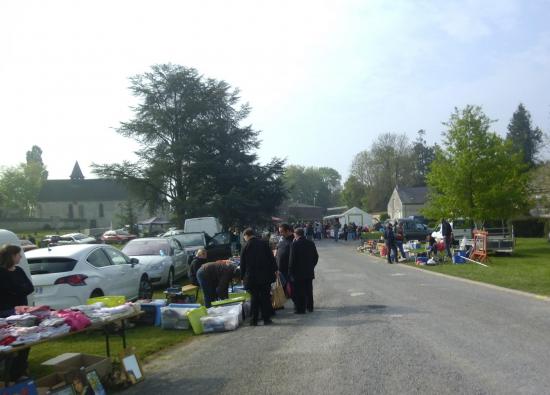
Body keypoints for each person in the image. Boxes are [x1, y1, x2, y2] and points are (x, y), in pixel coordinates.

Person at [0, 244, 35, 382]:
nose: (20, 256)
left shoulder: (19, 270)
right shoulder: (1, 273)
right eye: (18, 254)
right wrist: (19, 289)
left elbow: (29, 287)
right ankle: (10, 373)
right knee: (10, 343)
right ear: (11, 256)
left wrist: (17, 290)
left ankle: (17, 372)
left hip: (23, 313)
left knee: (25, 342)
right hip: (6, 313)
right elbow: (8, 290)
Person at [240, 228, 277, 326]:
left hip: (251, 277)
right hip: (265, 276)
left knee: (254, 298)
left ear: (246, 235)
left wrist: (242, 277)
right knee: (265, 297)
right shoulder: (264, 243)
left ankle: (254, 320)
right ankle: (266, 319)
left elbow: (242, 264)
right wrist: (275, 270)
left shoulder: (245, 246)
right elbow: (271, 258)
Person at [289, 228, 319, 314]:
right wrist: (312, 265)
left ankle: (301, 309)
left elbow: (292, 260)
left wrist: (290, 272)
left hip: (298, 272)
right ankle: (310, 307)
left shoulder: (294, 244)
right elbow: (316, 257)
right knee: (309, 290)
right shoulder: (311, 243)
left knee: (299, 291)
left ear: (296, 234)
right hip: (309, 271)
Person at [275, 223, 294, 289]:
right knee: (283, 291)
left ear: (288, 231)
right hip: (280, 270)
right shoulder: (282, 239)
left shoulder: (294, 240)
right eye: (279, 232)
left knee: (291, 291)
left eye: (281, 232)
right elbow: (277, 248)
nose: (280, 234)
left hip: (288, 272)